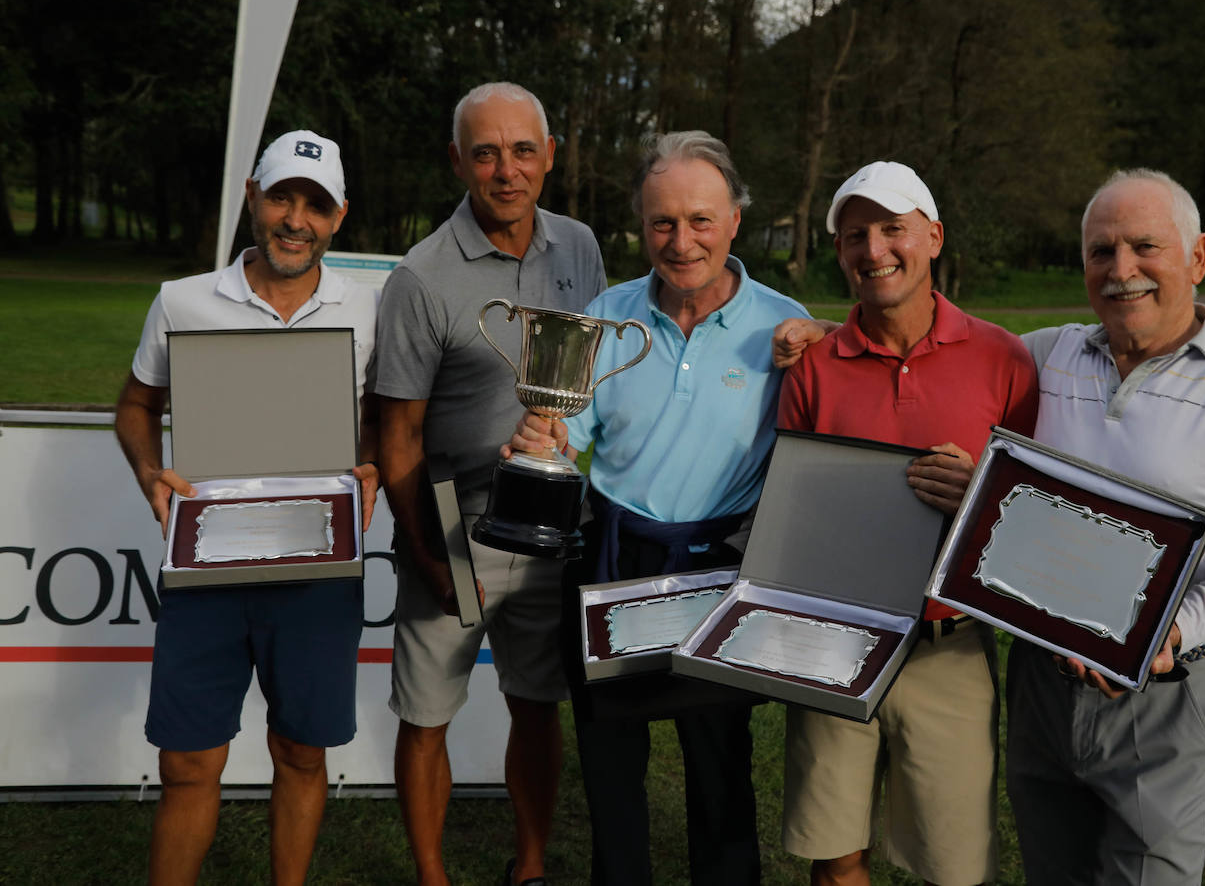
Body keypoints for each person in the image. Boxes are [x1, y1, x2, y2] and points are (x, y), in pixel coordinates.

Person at [505, 130, 808, 885]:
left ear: (735, 218)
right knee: (610, 771)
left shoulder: (786, 324)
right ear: (641, 227)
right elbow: (564, 435)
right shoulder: (606, 316)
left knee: (720, 771)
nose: (681, 242)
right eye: (662, 223)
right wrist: (540, 439)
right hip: (610, 558)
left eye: (700, 220)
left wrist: (829, 340)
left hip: (721, 568)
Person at [1004, 169, 1205, 885]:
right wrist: (815, 333)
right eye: (1099, 252)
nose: (1121, 271)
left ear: (1197, 257)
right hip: (1041, 687)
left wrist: (1164, 634)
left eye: (1145, 246)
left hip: (1165, 695)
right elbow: (933, 352)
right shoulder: (1045, 354)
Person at [114, 129, 378, 886]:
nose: (296, 220)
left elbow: (383, 422)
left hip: (319, 565)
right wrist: (149, 470)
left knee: (301, 749)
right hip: (206, 561)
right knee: (189, 760)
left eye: (316, 206)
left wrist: (373, 473)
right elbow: (136, 404)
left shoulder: (367, 310)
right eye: (282, 198)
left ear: (340, 217)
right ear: (252, 199)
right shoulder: (183, 300)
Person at [775, 161, 1038, 886]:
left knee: (954, 867)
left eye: (893, 228)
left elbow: (1037, 516)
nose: (874, 249)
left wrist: (981, 494)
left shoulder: (1003, 359)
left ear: (933, 237)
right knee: (836, 857)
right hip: (835, 641)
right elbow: (789, 511)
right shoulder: (815, 368)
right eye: (855, 235)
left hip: (948, 650)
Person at [372, 82, 606, 886]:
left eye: (523, 150)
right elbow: (395, 432)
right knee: (429, 713)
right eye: (485, 152)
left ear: (550, 155)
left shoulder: (579, 247)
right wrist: (430, 555)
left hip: (548, 524)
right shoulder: (421, 277)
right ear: (457, 161)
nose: (506, 170)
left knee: (537, 702)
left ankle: (529, 868)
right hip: (456, 523)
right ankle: (433, 875)